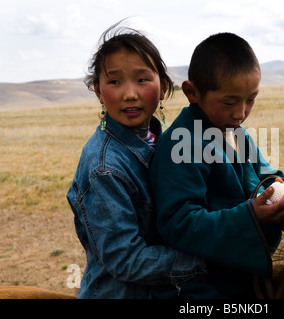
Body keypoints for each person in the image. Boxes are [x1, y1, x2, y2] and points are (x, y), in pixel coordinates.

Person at [149, 32, 284, 298]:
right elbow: (178, 223)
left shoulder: (236, 133)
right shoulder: (182, 143)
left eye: (251, 99)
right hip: (200, 286)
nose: (241, 113)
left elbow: (265, 178)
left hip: (245, 278)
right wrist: (251, 216)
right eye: (229, 102)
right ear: (192, 92)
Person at [66, 21, 206, 299]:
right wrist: (203, 261)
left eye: (142, 80)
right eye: (114, 81)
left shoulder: (163, 142)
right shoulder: (103, 168)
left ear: (163, 86)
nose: (130, 93)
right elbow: (125, 259)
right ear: (98, 90)